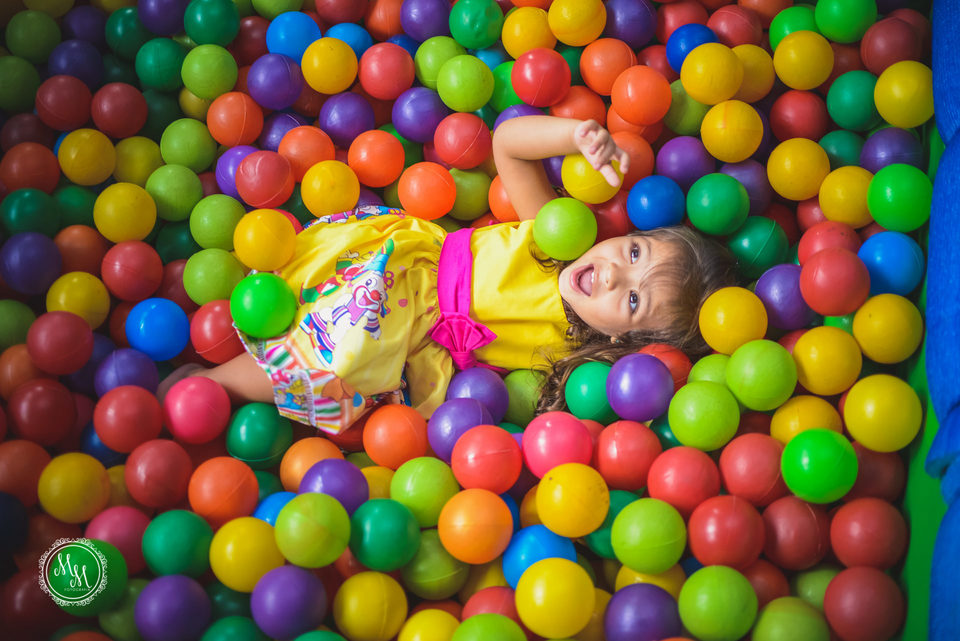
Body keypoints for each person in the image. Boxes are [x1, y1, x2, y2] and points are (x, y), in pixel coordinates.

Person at [159, 116, 737, 433]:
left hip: (400, 347)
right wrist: (573, 136)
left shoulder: (570, 355)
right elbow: (509, 146)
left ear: (619, 340)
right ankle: (213, 379)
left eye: (633, 303)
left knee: (330, 364)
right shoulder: (557, 237)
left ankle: (214, 389)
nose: (613, 276)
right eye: (633, 254)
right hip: (396, 275)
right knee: (325, 326)